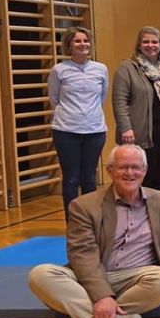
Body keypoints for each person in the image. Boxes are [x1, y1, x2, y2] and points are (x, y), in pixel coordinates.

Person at [28, 144, 160, 318]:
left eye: (135, 167)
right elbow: (83, 256)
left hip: (137, 278)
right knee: (40, 275)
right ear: (110, 171)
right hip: (94, 274)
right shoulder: (84, 205)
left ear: (144, 170)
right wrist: (102, 295)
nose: (130, 173)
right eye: (123, 167)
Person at [112, 26, 160, 192]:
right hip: (143, 133)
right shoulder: (128, 68)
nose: (150, 45)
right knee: (146, 175)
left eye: (155, 41)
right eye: (145, 41)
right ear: (139, 45)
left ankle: (157, 211)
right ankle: (141, 213)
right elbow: (119, 101)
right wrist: (126, 128)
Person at [49, 26, 109, 214]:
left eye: (85, 40)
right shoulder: (59, 70)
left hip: (95, 131)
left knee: (89, 178)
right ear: (69, 45)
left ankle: (89, 221)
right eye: (77, 41)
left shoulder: (100, 69)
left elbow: (102, 96)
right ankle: (73, 222)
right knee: (71, 178)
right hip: (66, 131)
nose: (83, 44)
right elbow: (54, 98)